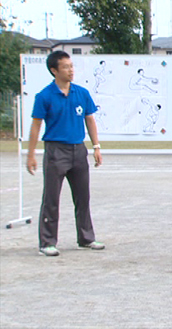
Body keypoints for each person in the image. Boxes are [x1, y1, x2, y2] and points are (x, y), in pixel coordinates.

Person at [27, 51, 105, 257]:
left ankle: (86, 238)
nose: (71, 70)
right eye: (66, 67)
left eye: (72, 66)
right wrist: (31, 154)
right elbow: (36, 126)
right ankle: (47, 242)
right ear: (54, 71)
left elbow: (90, 120)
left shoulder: (81, 93)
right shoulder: (44, 96)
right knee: (51, 198)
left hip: (78, 150)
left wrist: (96, 146)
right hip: (55, 151)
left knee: (83, 197)